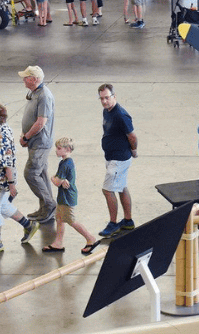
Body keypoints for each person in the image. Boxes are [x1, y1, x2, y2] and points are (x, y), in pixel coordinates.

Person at [0, 103, 39, 253]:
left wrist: (11, 184)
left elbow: (7, 161)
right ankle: (29, 226)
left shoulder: (1, 135)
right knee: (3, 206)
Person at [42, 137, 98, 255]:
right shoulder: (65, 162)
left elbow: (56, 181)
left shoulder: (65, 164)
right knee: (60, 219)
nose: (56, 151)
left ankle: (90, 238)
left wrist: (53, 177)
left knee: (71, 220)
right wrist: (59, 180)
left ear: (67, 149)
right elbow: (59, 181)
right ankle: (58, 243)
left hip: (67, 197)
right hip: (64, 196)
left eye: (59, 148)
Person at [98, 82, 137, 237]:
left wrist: (133, 150)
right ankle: (128, 221)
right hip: (111, 156)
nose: (104, 101)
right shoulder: (107, 111)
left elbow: (132, 136)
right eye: (101, 98)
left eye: (107, 98)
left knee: (108, 190)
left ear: (114, 96)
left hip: (119, 159)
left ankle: (113, 223)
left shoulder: (121, 115)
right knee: (121, 187)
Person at [18, 64, 56, 223]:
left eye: (26, 77)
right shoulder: (35, 92)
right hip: (35, 141)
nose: (24, 80)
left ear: (35, 79)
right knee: (40, 173)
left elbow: (41, 122)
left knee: (31, 173)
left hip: (40, 142)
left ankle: (49, 205)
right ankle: (44, 209)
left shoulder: (44, 96)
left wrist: (26, 137)